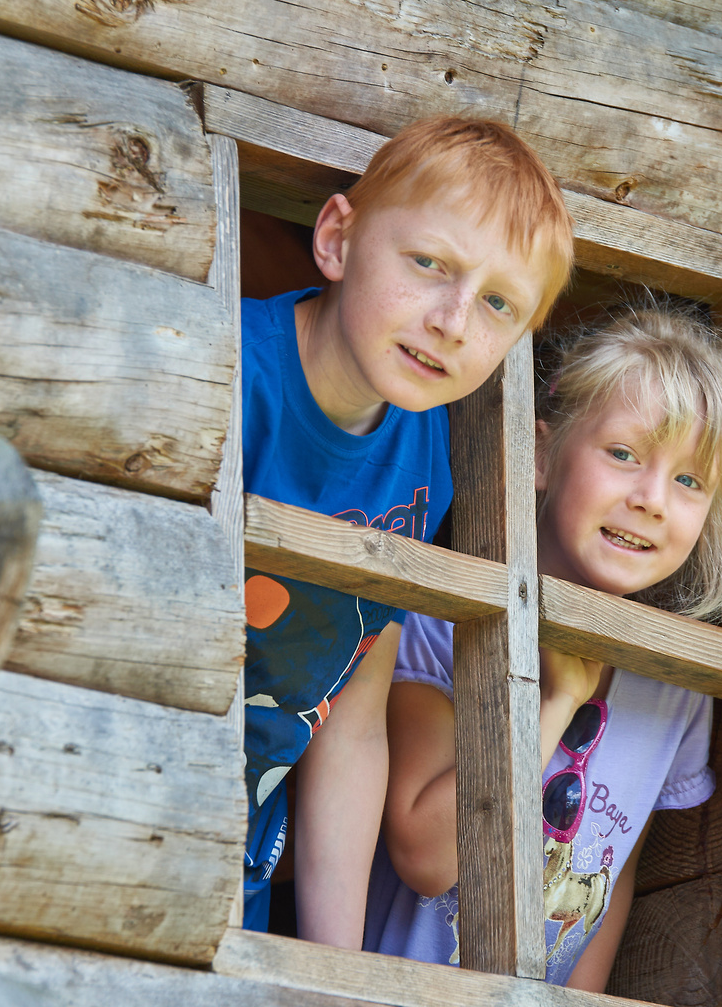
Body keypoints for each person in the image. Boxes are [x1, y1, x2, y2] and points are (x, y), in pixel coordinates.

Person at [241, 116, 576, 947]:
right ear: (336, 239)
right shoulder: (235, 377)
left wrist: (335, 976)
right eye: (429, 264)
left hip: (239, 857)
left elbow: (352, 716)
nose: (455, 321)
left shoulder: (425, 457)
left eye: (498, 303)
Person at [363, 306, 722, 989]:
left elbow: (613, 883)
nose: (652, 500)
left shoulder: (677, 688)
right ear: (541, 454)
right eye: (624, 454)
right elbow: (426, 857)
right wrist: (557, 701)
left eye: (690, 481)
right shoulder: (443, 621)